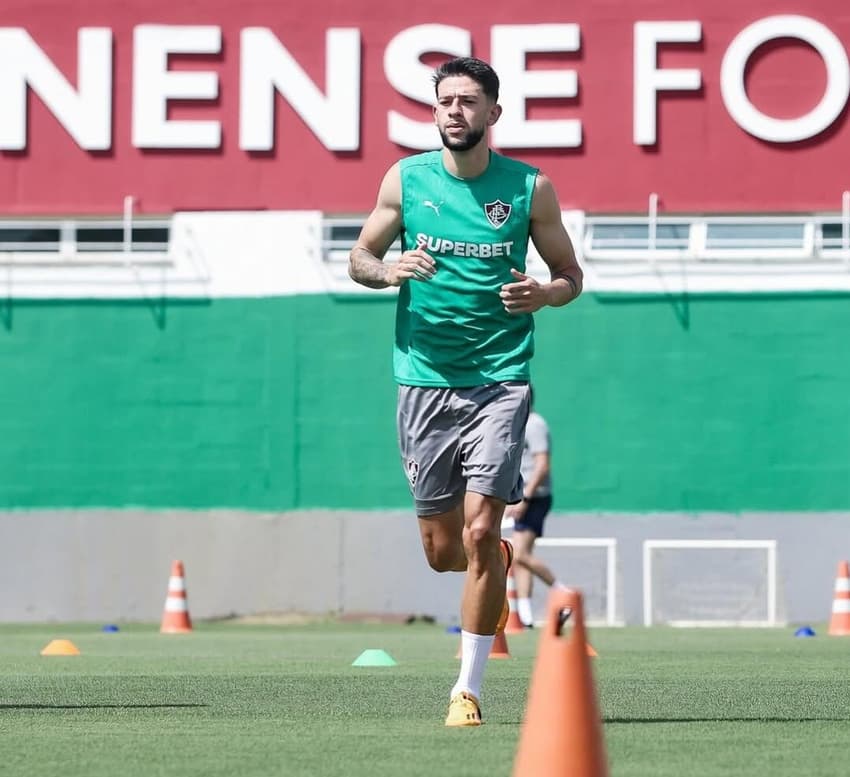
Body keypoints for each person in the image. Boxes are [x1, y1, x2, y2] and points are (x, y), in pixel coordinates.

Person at [348, 56, 583, 727]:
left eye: (468, 101)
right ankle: (489, 558)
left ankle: (468, 688)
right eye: (445, 100)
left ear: (493, 114)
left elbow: (570, 273)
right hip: (423, 381)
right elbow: (359, 256)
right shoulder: (406, 178)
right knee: (444, 550)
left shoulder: (530, 188)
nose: (455, 111)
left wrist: (544, 292)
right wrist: (389, 269)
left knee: (484, 528)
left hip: (501, 379)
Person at [504, 387, 567, 628]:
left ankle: (563, 591)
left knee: (520, 555)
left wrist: (525, 498)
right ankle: (525, 616)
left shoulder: (534, 424)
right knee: (520, 559)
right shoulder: (518, 424)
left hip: (535, 498)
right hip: (523, 497)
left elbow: (542, 466)